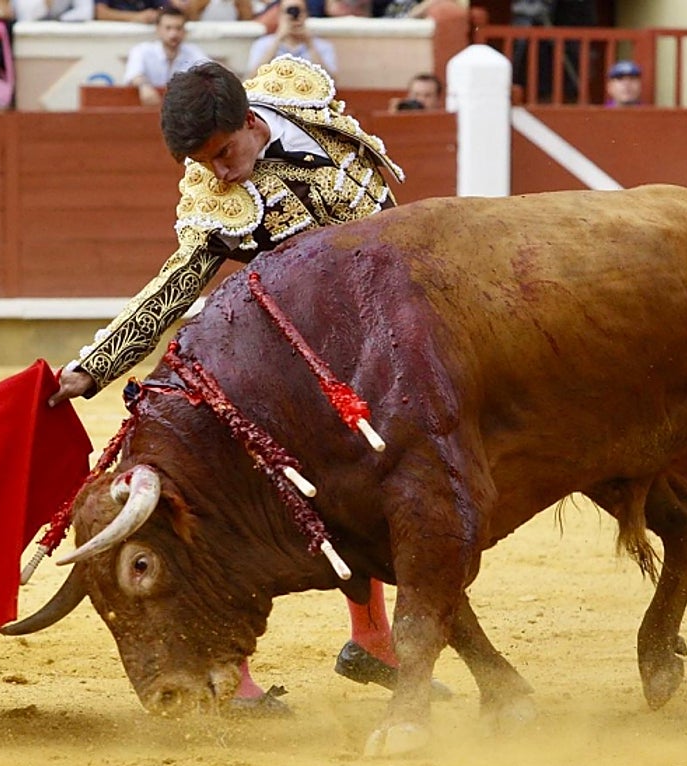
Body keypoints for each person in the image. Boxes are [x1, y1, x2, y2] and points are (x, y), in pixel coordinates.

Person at [48, 56, 443, 713]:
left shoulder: (307, 110)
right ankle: (236, 673)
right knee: (231, 512)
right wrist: (95, 366)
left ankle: (372, 639)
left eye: (225, 153)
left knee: (383, 483)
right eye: (204, 164)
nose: (219, 174)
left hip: (374, 346)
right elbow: (173, 286)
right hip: (279, 373)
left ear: (254, 122)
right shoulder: (219, 203)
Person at [123, 5, 208, 104]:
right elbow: (134, 74)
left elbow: (210, 70)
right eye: (168, 28)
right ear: (158, 29)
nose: (173, 34)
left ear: (184, 31)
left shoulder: (193, 52)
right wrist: (144, 86)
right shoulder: (142, 50)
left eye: (178, 28)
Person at [246, 0, 335, 75]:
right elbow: (251, 78)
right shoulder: (263, 44)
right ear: (279, 15)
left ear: (306, 14)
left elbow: (331, 82)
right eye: (289, 11)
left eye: (299, 11)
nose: (295, 16)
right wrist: (278, 39)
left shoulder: (322, 46)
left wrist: (310, 44)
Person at [95, 0, 163, 24]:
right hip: (113, 38)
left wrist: (157, 14)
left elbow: (165, 7)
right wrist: (136, 16)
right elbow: (100, 13)